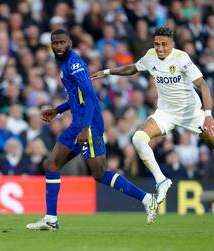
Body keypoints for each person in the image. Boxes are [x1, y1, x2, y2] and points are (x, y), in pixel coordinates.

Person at [91, 26, 214, 204]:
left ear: (171, 44)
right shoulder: (150, 56)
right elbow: (133, 68)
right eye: (157, 44)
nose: (160, 48)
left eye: (164, 44)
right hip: (165, 113)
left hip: (191, 113)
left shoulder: (182, 58)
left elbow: (203, 85)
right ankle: (162, 181)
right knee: (139, 139)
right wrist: (107, 72)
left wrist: (208, 114)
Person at [26, 29, 156, 231]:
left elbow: (89, 98)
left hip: (89, 125)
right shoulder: (63, 63)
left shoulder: (75, 65)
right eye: (55, 43)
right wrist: (58, 111)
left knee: (99, 173)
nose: (58, 46)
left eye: (62, 42)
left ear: (69, 43)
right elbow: (76, 97)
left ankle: (147, 198)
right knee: (51, 165)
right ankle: (50, 218)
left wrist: (86, 128)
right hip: (77, 124)